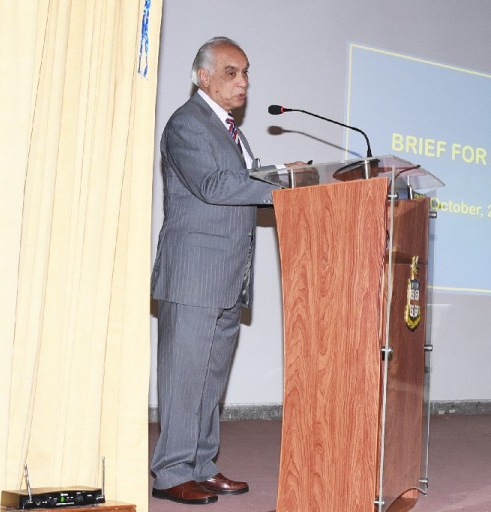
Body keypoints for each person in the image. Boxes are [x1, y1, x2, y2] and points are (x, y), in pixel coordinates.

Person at [150, 36, 302, 505]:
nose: (243, 82)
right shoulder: (186, 124)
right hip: (194, 274)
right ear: (203, 76)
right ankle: (171, 472)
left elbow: (245, 179)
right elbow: (215, 186)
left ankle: (201, 464)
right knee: (184, 379)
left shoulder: (232, 131)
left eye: (246, 72)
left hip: (229, 276)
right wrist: (279, 182)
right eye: (232, 72)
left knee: (211, 378)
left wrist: (285, 175)